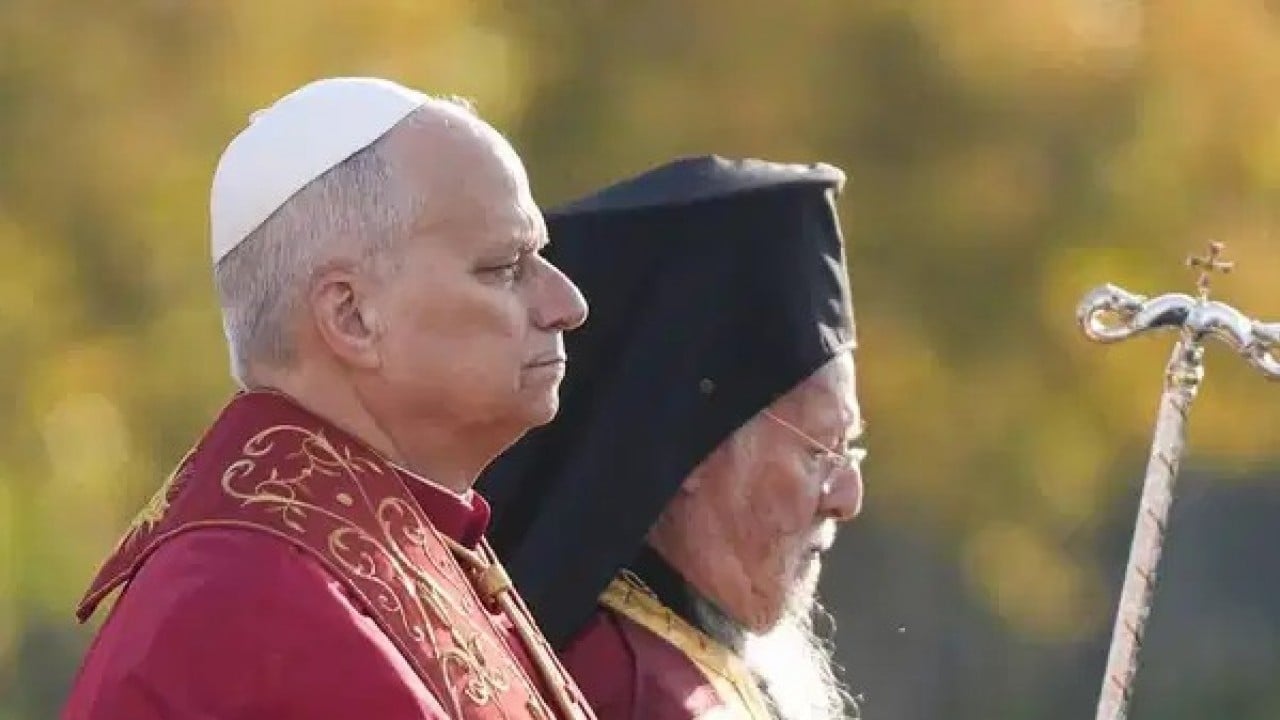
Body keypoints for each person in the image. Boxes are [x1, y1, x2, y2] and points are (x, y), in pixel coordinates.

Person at [63, 77, 597, 720]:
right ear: (351, 316)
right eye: (505, 267)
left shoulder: (408, 543)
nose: (568, 304)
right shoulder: (252, 604)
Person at [478, 155, 867, 720]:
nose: (848, 497)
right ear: (691, 451)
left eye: (849, 449)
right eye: (819, 451)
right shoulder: (631, 691)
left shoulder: (668, 660)